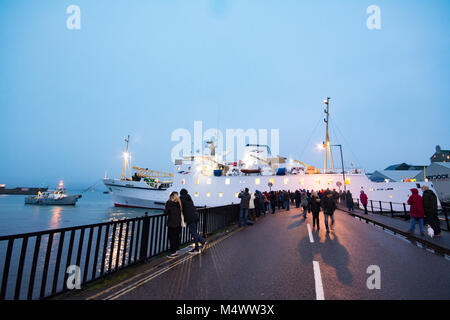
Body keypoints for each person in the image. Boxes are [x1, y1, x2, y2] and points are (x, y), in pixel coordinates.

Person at [180, 189, 205, 254]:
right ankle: (198, 246)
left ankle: (199, 246)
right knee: (194, 232)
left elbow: (179, 205)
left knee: (193, 233)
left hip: (190, 218)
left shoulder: (182, 198)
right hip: (195, 216)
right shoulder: (189, 198)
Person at [165, 192, 183, 258]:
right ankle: (176, 250)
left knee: (172, 238)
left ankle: (173, 252)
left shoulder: (169, 203)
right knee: (176, 237)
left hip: (172, 223)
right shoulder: (179, 203)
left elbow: (166, 211)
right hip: (178, 223)